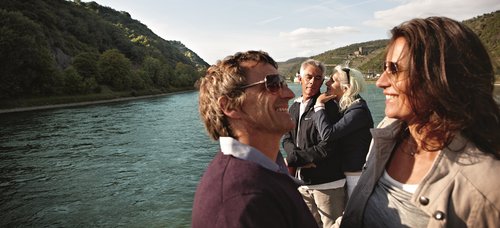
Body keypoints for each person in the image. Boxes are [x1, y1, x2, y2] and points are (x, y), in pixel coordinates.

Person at [338, 17, 500, 227]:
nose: (381, 82)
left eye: (394, 70)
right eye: (384, 68)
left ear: (440, 77)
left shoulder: (487, 187)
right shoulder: (387, 131)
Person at [192, 50, 318, 228]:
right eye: (272, 84)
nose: (289, 94)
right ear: (230, 106)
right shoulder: (244, 200)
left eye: (282, 83)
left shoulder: (263, 174)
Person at [282, 59, 345, 228]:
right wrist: (297, 158)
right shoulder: (294, 106)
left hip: (328, 184)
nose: (312, 81)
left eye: (318, 78)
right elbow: (287, 137)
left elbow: (329, 145)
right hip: (302, 182)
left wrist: (296, 159)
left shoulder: (327, 106)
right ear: (299, 78)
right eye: (309, 76)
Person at [312, 65, 373, 200]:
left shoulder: (358, 111)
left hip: (355, 176)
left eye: (333, 80)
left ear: (346, 88)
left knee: (353, 217)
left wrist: (319, 105)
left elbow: (328, 134)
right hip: (347, 174)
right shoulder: (348, 108)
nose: (327, 83)